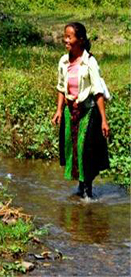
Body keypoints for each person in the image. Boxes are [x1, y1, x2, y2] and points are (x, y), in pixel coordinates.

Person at [51, 22, 110, 199]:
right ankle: (80, 185)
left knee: (86, 150)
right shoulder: (63, 61)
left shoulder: (89, 62)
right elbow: (61, 87)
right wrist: (59, 110)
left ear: (80, 40)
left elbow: (98, 91)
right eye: (65, 36)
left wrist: (104, 120)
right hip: (71, 111)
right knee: (73, 148)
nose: (65, 40)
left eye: (69, 37)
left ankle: (87, 190)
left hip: (88, 111)